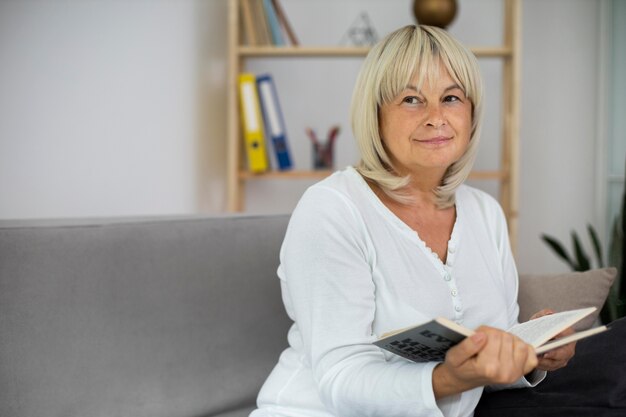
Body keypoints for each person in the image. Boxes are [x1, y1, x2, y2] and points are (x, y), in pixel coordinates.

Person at [249, 25, 575, 417]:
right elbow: (341, 379)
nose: (436, 118)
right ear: (376, 115)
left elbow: (490, 369)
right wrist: (450, 378)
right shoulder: (332, 209)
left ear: (471, 112)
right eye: (411, 99)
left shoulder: (485, 213)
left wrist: (530, 354)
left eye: (451, 97)